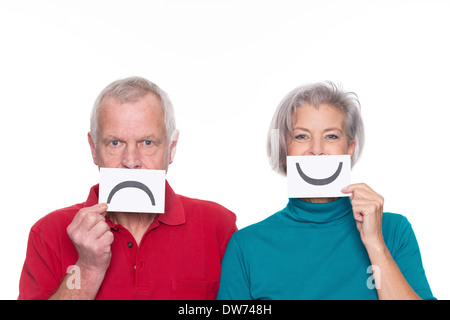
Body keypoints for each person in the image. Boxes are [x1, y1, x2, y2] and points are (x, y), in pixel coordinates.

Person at [19, 76, 237, 300]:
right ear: (94, 149)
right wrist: (87, 268)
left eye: (147, 142)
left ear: (171, 148)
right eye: (115, 143)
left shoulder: (217, 226)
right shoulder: (49, 233)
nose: (131, 161)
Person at [217, 81, 434, 300]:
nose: (317, 150)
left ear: (349, 148)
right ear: (285, 149)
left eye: (331, 136)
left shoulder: (394, 231)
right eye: (302, 136)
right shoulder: (246, 246)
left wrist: (376, 244)